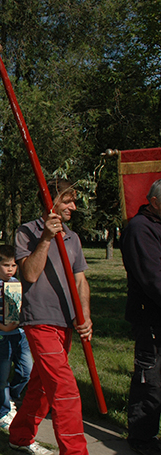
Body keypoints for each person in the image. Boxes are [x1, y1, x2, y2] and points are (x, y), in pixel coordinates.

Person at [8, 178, 92, 455]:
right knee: (65, 388)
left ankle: (19, 435)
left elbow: (80, 281)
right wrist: (45, 238)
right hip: (39, 320)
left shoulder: (73, 237)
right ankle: (76, 451)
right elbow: (30, 274)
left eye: (73, 201)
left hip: (65, 321)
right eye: (67, 201)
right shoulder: (27, 232)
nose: (73, 207)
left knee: (42, 385)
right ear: (50, 202)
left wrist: (85, 317)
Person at [120, 178, 161, 455]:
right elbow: (152, 277)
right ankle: (142, 439)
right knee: (152, 382)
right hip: (153, 320)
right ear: (155, 201)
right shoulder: (139, 228)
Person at [0, 245, 33, 430]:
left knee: (27, 370)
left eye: (13, 265)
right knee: (1, 377)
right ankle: (0, 414)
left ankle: (9, 399)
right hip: (1, 336)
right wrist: (2, 327)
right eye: (5, 265)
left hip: (19, 334)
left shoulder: (16, 284)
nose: (10, 269)